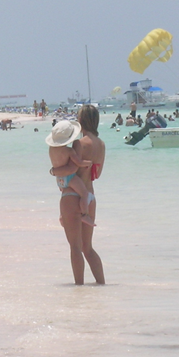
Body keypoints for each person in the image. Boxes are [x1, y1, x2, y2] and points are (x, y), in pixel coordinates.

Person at [51, 105, 105, 285]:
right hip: (90, 196)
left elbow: (69, 170)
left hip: (71, 197)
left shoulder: (78, 144)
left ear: (80, 121)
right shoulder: (101, 144)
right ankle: (101, 284)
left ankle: (79, 288)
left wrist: (53, 170)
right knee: (87, 247)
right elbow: (97, 174)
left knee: (75, 247)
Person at [46, 120, 96, 227]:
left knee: (64, 194)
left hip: (59, 179)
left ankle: (62, 216)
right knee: (84, 194)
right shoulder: (69, 151)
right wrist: (89, 163)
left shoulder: (51, 150)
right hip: (70, 178)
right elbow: (78, 162)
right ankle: (85, 214)